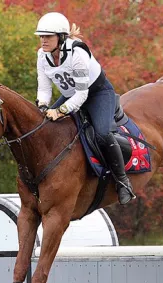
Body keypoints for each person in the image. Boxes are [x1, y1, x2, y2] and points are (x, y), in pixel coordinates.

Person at [33, 12, 136, 205]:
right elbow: (44, 88)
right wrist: (43, 105)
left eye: (48, 36)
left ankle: (123, 182)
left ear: (61, 37)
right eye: (41, 36)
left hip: (97, 93)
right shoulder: (42, 56)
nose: (43, 40)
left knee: (103, 134)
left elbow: (82, 95)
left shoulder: (77, 54)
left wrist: (60, 111)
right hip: (72, 94)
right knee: (44, 127)